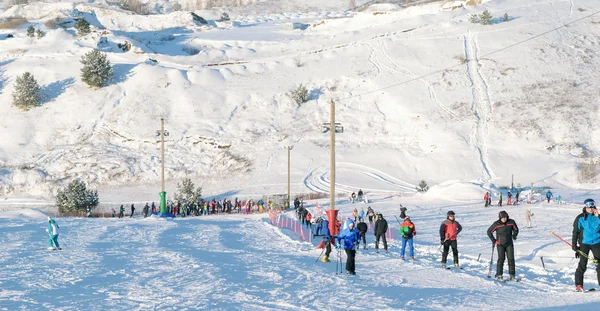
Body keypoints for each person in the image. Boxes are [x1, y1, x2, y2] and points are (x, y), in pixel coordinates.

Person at [573, 199, 600, 291]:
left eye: (592, 206)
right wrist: (574, 245)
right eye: (588, 206)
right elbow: (575, 232)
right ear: (585, 207)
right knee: (582, 264)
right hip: (584, 244)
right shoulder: (580, 218)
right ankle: (579, 285)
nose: (590, 208)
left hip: (597, 243)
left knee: (599, 264)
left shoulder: (598, 217)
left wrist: (599, 216)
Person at [487, 211, 519, 281]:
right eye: (502, 218)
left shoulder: (511, 222)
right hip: (500, 244)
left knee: (511, 259)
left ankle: (512, 275)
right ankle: (499, 275)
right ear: (500, 218)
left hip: (509, 243)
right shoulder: (496, 224)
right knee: (501, 259)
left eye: (505, 217)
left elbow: (516, 230)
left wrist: (514, 235)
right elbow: (489, 231)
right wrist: (493, 240)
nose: (504, 219)